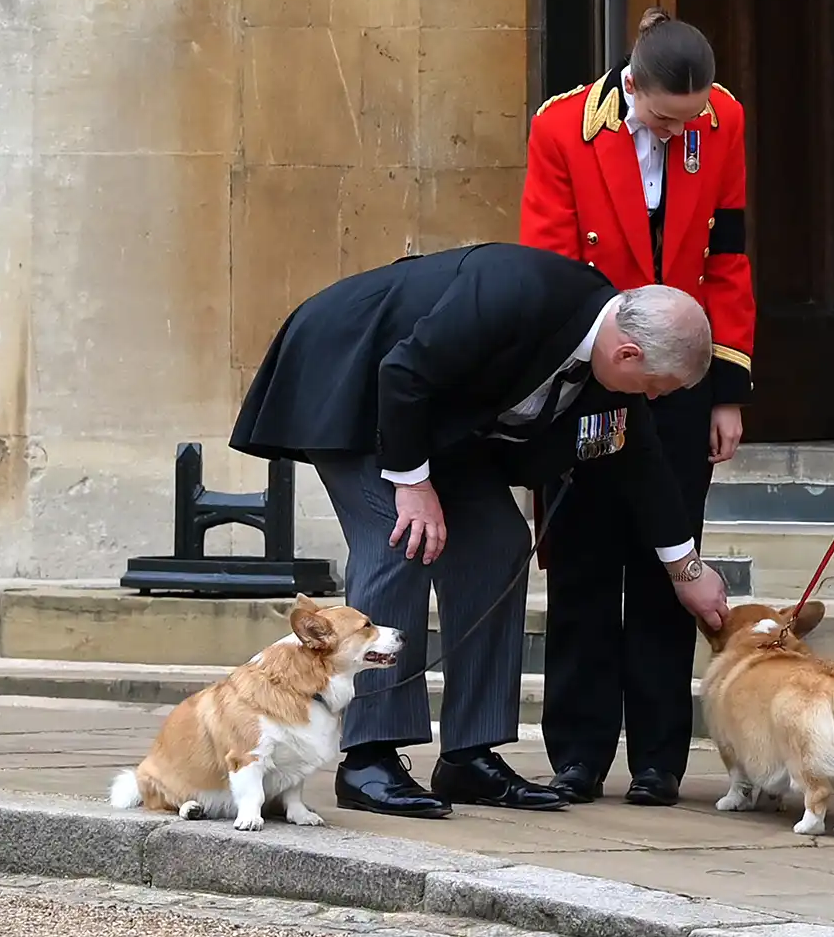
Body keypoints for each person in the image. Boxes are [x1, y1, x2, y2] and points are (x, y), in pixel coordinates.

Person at [228, 241, 731, 820]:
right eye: (655, 386)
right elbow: (404, 371)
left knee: (499, 542)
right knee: (402, 538)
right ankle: (370, 757)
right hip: (353, 379)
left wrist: (684, 568)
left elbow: (639, 458)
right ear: (628, 353)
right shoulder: (517, 292)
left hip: (440, 423)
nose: (652, 398)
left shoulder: (608, 362)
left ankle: (469, 754)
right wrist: (413, 486)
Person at [518, 7, 755, 807]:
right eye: (663, 118)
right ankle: (578, 754)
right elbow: (547, 267)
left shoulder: (723, 121)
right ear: (632, 86)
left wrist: (727, 389)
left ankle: (658, 759)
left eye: (690, 120)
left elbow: (729, 258)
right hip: (598, 365)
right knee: (584, 562)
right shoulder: (561, 128)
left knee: (668, 565)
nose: (678, 131)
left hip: (681, 373)